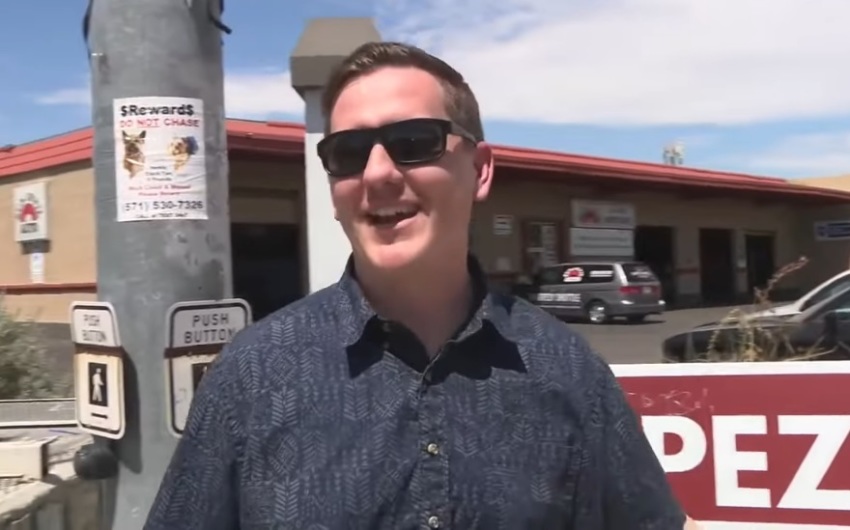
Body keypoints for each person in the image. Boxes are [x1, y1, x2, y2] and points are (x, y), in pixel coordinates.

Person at [144, 41, 690, 529]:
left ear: (480, 170)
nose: (377, 173)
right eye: (348, 153)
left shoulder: (567, 369)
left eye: (413, 141)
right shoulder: (252, 374)